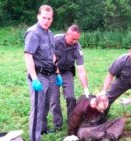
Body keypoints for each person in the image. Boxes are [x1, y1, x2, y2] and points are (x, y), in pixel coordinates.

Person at [24, 5, 62, 141]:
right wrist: (34, 78)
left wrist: (57, 74)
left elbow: (52, 56)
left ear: (52, 19)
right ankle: (35, 138)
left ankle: (43, 130)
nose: (46, 21)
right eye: (44, 18)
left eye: (49, 18)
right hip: (38, 75)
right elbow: (28, 56)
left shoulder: (50, 33)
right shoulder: (33, 33)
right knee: (37, 109)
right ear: (38, 17)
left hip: (50, 75)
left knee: (46, 106)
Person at [50, 24, 90, 131]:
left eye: (77, 39)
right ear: (67, 34)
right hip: (53, 71)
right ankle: (58, 124)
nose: (75, 41)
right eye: (73, 39)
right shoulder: (55, 40)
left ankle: (71, 121)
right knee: (54, 99)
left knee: (71, 97)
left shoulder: (77, 48)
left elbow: (81, 69)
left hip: (67, 71)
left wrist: (85, 88)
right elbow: (48, 57)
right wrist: (56, 73)